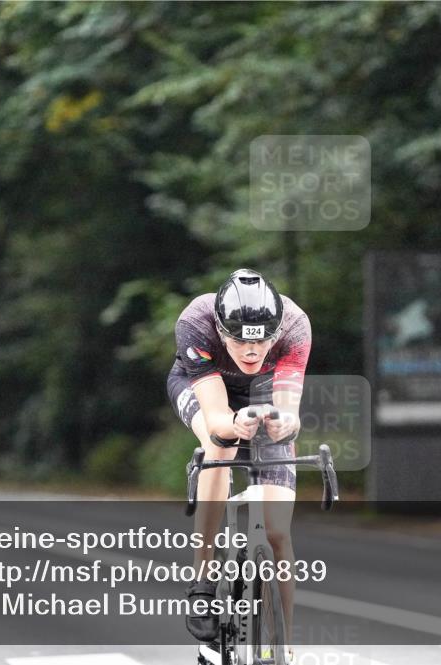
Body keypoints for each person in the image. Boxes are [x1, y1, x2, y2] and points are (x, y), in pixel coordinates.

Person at [167, 268, 311, 664]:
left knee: (278, 532)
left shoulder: (295, 326)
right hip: (207, 388)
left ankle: (282, 643)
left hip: (265, 394)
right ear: (220, 328)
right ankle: (204, 578)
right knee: (222, 445)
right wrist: (233, 423)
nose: (252, 351)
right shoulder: (196, 322)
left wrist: (285, 423)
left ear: (276, 330)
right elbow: (216, 419)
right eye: (238, 341)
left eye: (263, 341)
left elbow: (289, 411)